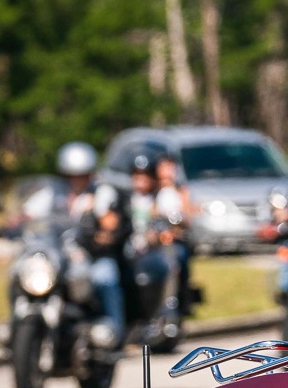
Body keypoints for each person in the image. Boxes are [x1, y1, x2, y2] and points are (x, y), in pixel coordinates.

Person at [49, 142, 128, 347]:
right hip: (60, 255)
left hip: (93, 255)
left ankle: (114, 332)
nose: (76, 180)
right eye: (71, 175)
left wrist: (103, 228)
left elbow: (110, 222)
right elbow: (29, 215)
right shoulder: (54, 195)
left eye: (82, 174)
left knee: (105, 278)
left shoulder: (101, 193)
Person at [125, 151, 187, 339]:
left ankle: (168, 311)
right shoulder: (126, 198)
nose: (141, 181)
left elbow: (176, 218)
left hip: (154, 250)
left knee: (170, 262)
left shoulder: (163, 195)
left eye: (145, 176)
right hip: (131, 251)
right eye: (137, 176)